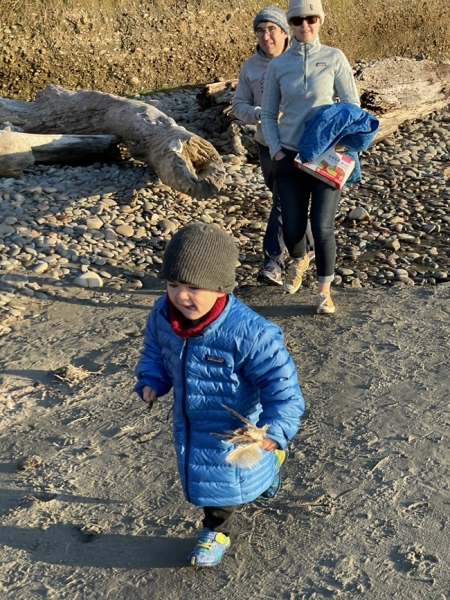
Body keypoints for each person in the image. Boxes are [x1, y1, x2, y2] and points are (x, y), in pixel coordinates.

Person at [135, 222, 304, 568]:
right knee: (206, 472)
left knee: (220, 482)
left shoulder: (251, 333)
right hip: (190, 420)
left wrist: (275, 427)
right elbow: (155, 349)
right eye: (173, 284)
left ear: (221, 288)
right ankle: (271, 465)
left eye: (194, 287)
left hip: (232, 425)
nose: (182, 296)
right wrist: (152, 378)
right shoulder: (162, 315)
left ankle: (217, 531)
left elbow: (282, 387)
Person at [261, 0, 360, 314]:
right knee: (291, 228)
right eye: (298, 20)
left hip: (325, 156)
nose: (305, 26)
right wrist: (276, 148)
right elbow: (266, 113)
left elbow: (351, 107)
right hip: (289, 155)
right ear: (291, 24)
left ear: (320, 21)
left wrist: (345, 147)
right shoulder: (278, 65)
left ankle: (324, 292)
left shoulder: (334, 57)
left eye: (311, 19)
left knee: (322, 226)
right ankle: (300, 258)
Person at [232, 6, 290, 286]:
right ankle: (311, 243)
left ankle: (273, 263)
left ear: (284, 33)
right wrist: (259, 113)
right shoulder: (250, 67)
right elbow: (238, 105)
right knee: (286, 199)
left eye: (271, 30)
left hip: (295, 145)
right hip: (265, 144)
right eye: (260, 30)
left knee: (281, 200)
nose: (266, 36)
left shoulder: (300, 61)